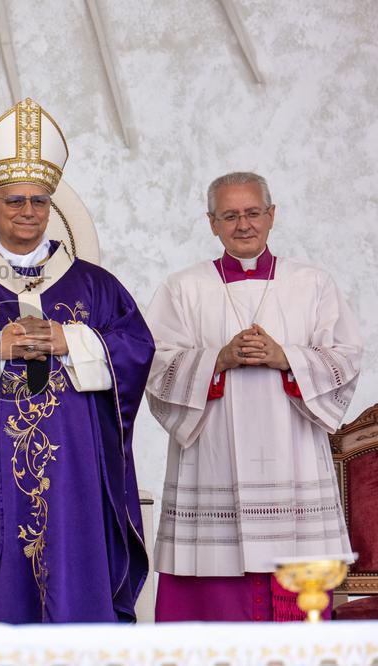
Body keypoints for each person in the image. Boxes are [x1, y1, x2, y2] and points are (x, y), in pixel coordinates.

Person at [0, 98, 154, 623]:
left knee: (74, 565)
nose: (28, 212)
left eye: (39, 202)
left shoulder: (95, 284)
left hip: (76, 467)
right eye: (15, 201)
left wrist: (75, 342)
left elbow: (137, 348)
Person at [146, 172, 362, 621]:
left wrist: (288, 358)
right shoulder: (183, 288)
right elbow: (155, 364)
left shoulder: (312, 284)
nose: (243, 224)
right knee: (213, 587)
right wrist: (216, 360)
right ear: (212, 223)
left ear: (271, 215)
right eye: (230, 215)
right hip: (214, 458)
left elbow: (346, 356)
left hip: (293, 452)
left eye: (252, 213)